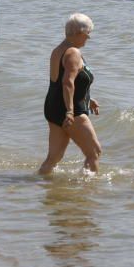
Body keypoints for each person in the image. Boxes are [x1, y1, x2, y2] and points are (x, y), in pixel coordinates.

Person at [38, 13, 101, 175]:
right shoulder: (73, 53)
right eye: (88, 35)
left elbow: (60, 82)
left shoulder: (58, 50)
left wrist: (88, 97)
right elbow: (67, 82)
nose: (88, 38)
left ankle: (40, 184)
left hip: (53, 106)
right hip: (70, 109)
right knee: (94, 153)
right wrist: (70, 111)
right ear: (80, 33)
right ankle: (87, 193)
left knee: (54, 157)